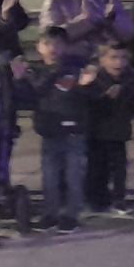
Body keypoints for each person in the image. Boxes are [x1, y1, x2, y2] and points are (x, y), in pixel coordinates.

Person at [20, 26, 92, 234]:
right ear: (39, 47)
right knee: (50, 176)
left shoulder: (77, 68)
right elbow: (36, 91)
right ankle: (50, 213)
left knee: (74, 175)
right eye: (48, 44)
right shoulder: (36, 71)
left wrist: (85, 86)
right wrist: (20, 78)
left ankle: (71, 214)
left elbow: (87, 96)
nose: (53, 48)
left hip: (74, 129)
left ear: (66, 46)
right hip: (49, 130)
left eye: (58, 44)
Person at [84, 42, 134, 215]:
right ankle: (96, 198)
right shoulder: (94, 79)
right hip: (97, 132)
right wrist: (104, 97)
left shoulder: (130, 78)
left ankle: (119, 198)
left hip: (119, 131)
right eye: (114, 58)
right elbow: (87, 103)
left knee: (119, 168)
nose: (119, 62)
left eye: (123, 58)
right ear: (102, 60)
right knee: (97, 167)